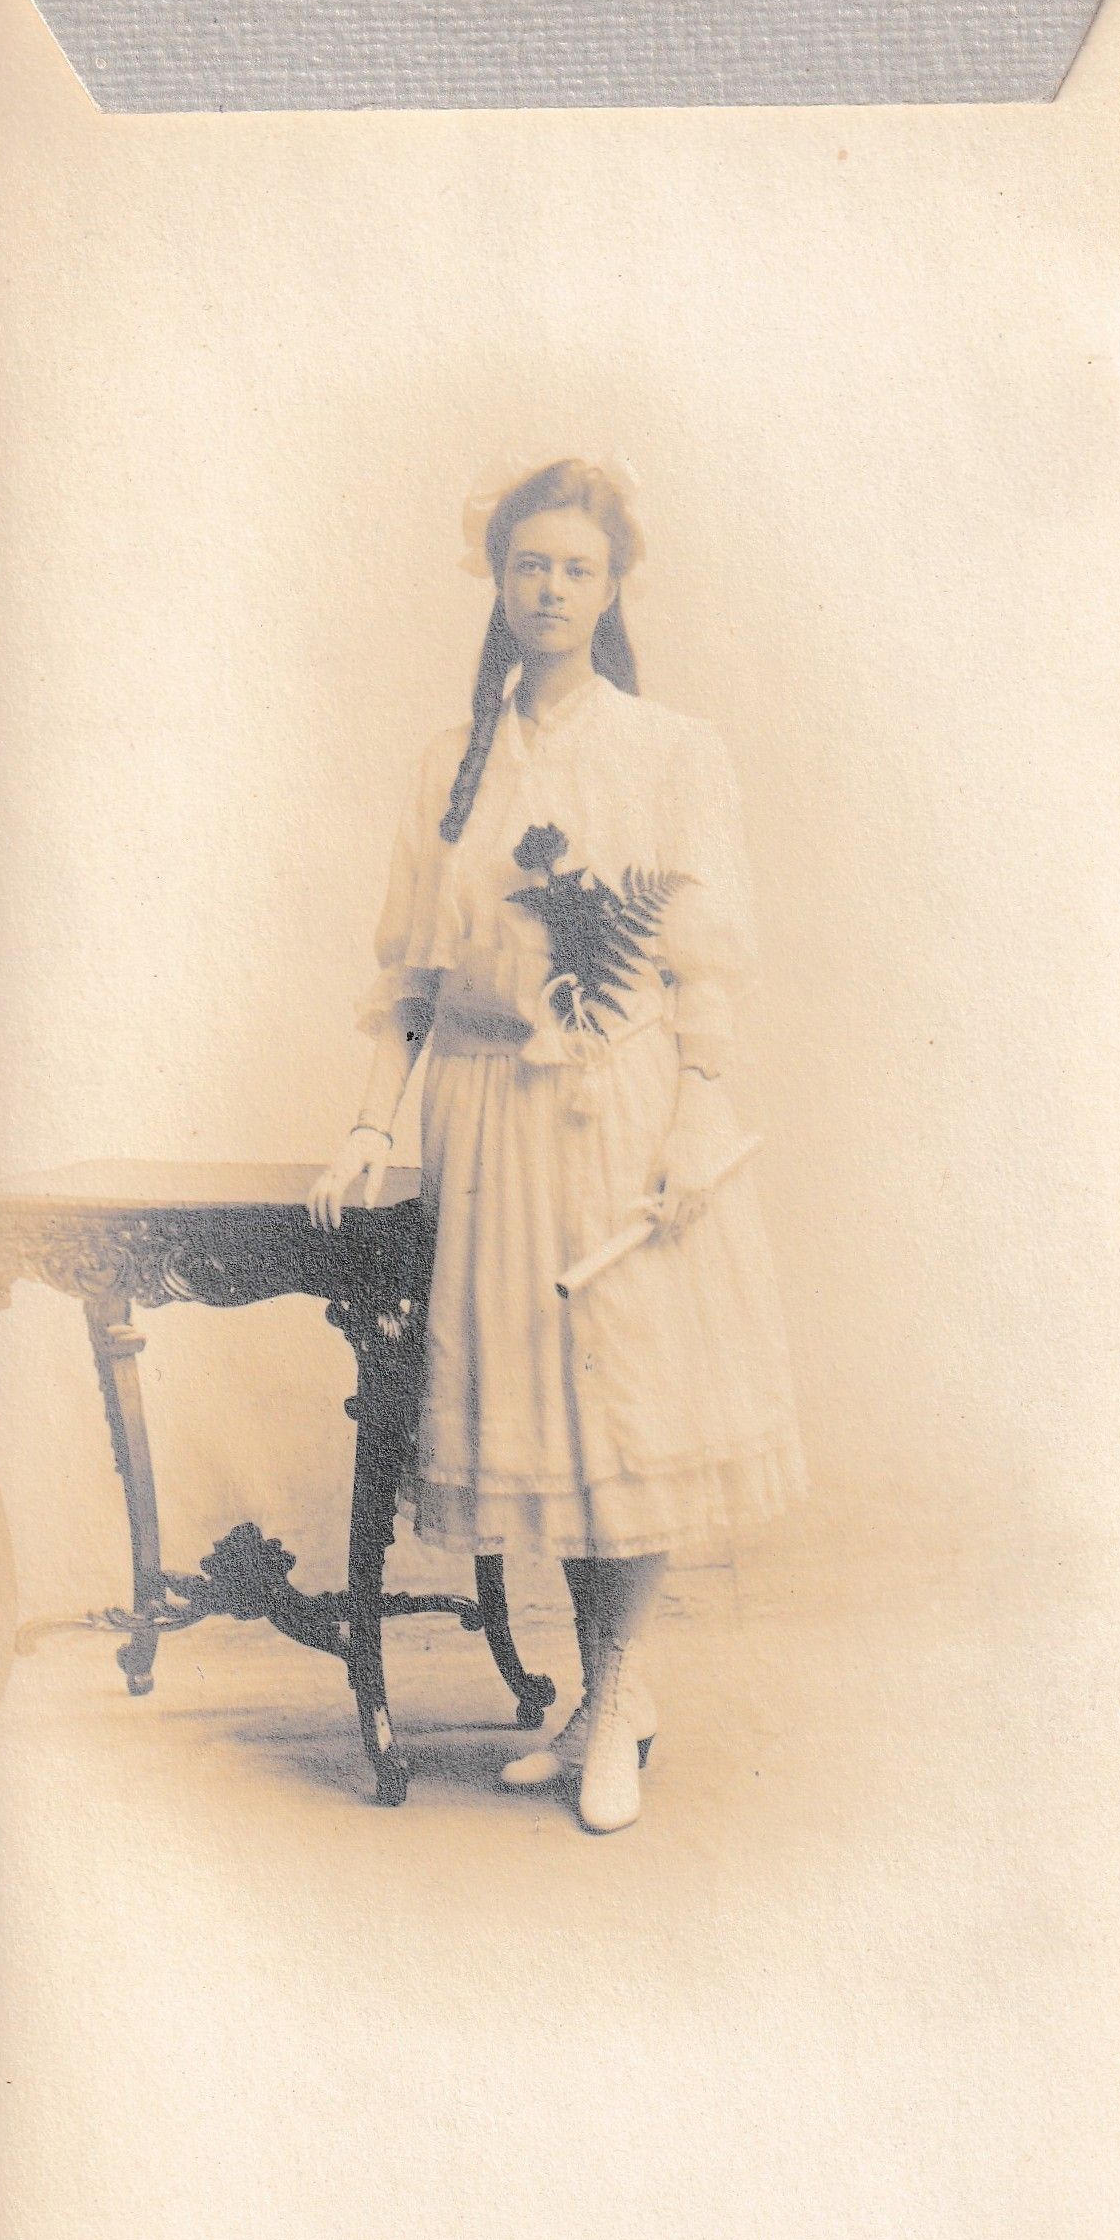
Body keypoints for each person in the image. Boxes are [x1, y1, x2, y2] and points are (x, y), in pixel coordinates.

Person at [311, 457, 802, 1831]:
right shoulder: (454, 765)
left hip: (618, 1111)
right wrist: (370, 1121)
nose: (551, 589)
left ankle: (616, 1700)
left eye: (577, 568)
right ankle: (603, 1700)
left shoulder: (670, 751)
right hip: (489, 1123)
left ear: (612, 586)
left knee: (627, 1409)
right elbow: (414, 974)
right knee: (555, 1421)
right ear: (499, 580)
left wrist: (698, 1106)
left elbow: (701, 961)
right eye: (530, 564)